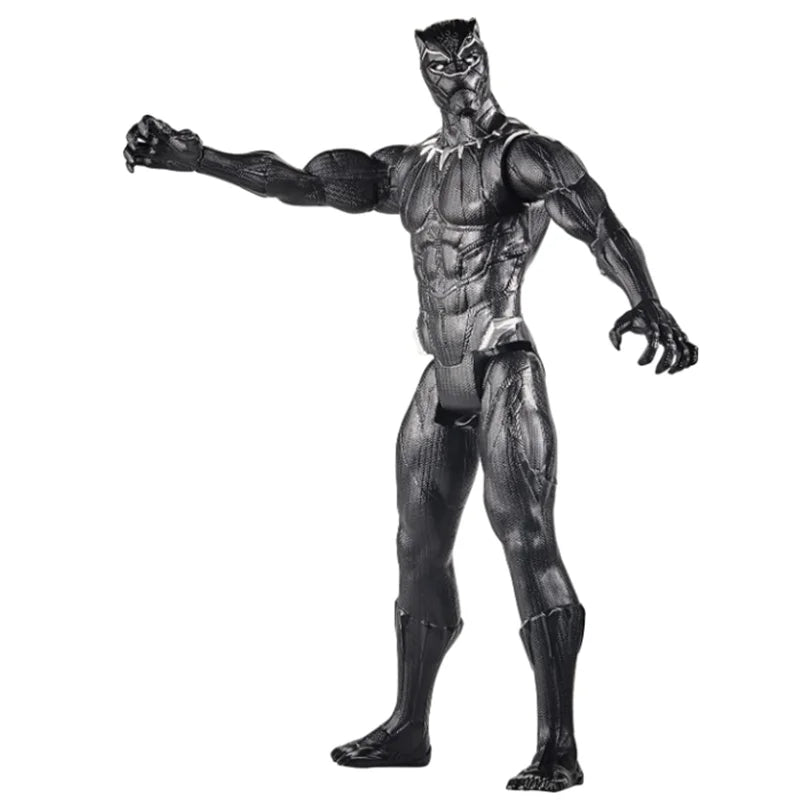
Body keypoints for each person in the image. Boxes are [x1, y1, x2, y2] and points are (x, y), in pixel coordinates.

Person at [124, 17, 697, 792]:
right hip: (442, 373)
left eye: (469, 58)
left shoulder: (523, 155)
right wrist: (200, 159)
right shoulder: (408, 169)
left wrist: (646, 301)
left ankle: (558, 746)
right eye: (441, 63)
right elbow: (299, 181)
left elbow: (597, 222)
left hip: (503, 362)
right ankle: (409, 728)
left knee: (526, 539)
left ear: (485, 59)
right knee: (416, 547)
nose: (459, 73)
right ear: (425, 71)